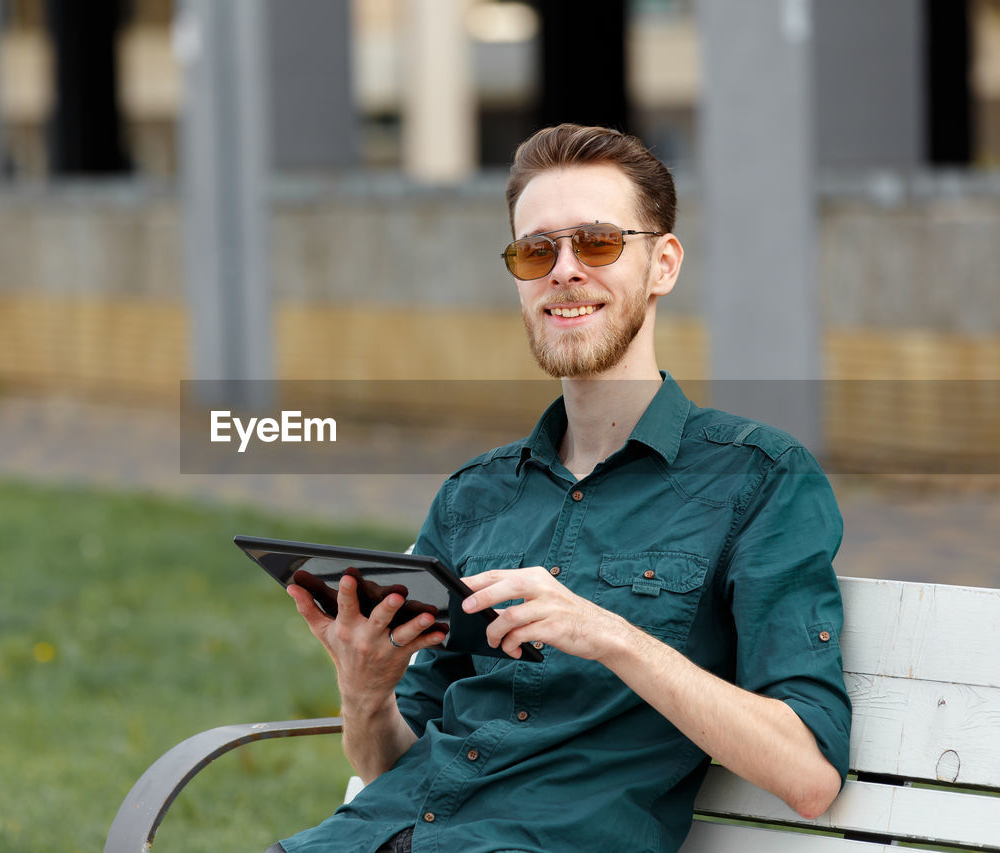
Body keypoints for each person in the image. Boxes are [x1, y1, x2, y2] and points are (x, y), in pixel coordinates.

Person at [271, 124, 850, 853]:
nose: (565, 270)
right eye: (536, 250)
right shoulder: (472, 495)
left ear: (662, 264)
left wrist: (606, 633)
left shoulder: (759, 478)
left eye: (599, 242)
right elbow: (390, 765)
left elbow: (809, 773)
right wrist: (364, 688)